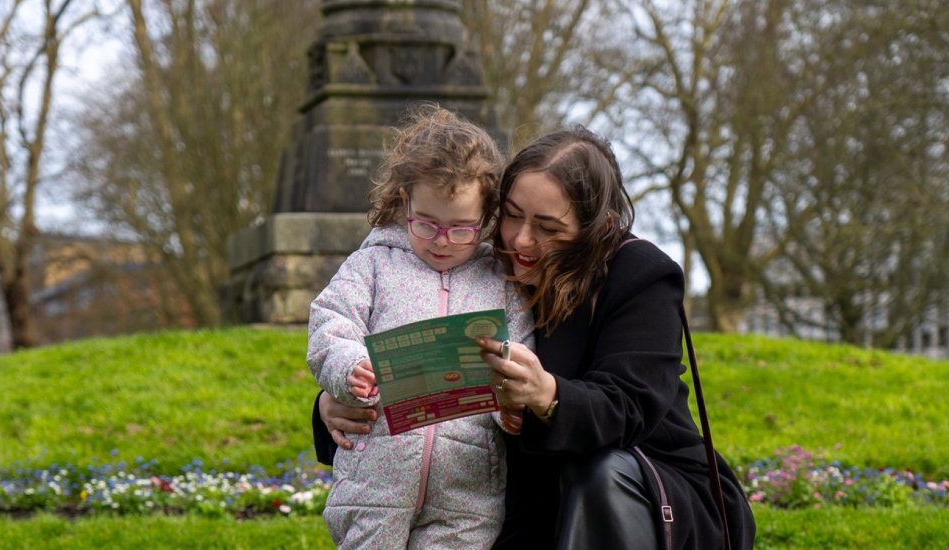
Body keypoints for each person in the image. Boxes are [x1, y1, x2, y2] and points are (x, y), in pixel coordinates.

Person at [314, 126, 756, 549]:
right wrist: (333, 403)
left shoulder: (639, 275)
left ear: (596, 228)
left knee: (597, 471)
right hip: (525, 500)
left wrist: (550, 395)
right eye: (511, 216)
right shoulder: (480, 265)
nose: (522, 239)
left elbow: (631, 404)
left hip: (644, 490)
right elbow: (412, 347)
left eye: (548, 228)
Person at [307, 105, 534, 549]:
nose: (442, 240)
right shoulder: (373, 263)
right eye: (426, 223)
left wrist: (510, 407)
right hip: (375, 481)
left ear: (487, 217)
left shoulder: (499, 282)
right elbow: (330, 321)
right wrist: (350, 366)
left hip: (467, 492)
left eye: (461, 229)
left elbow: (519, 354)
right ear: (404, 198)